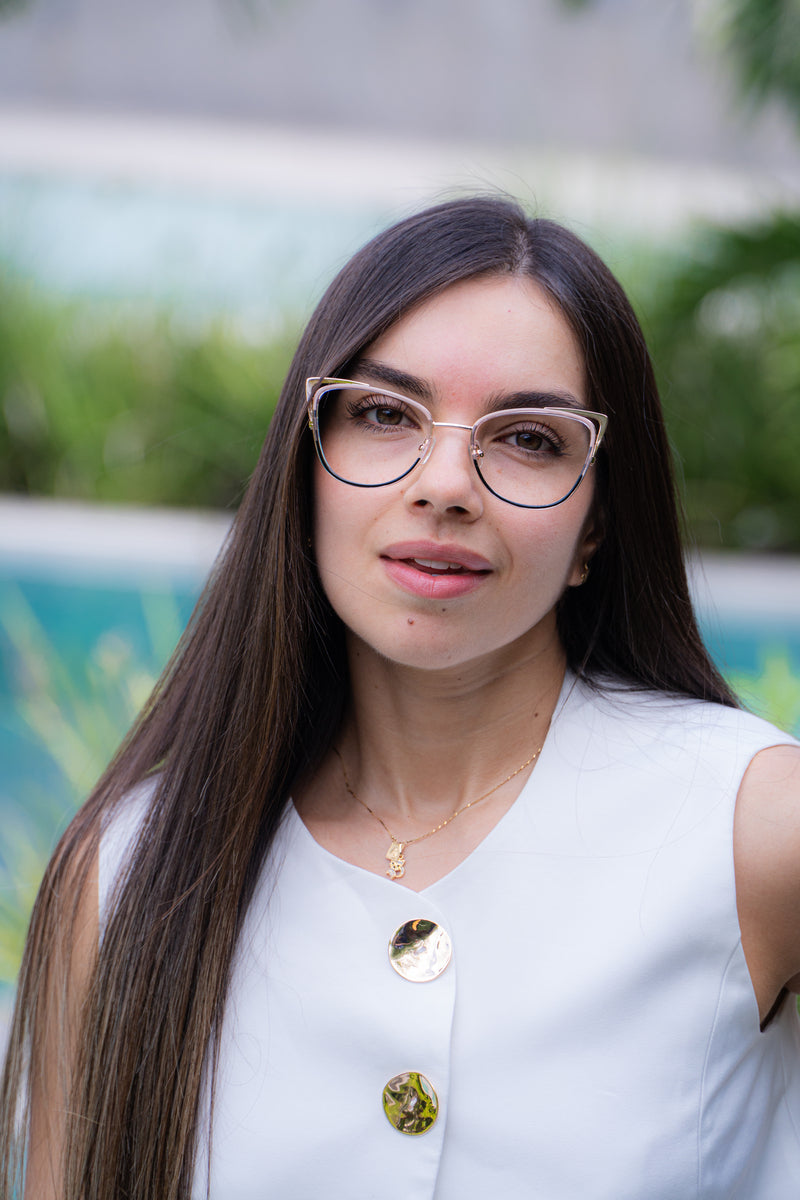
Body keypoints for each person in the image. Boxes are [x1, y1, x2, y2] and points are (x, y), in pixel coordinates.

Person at [2, 195, 800, 1200]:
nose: (446, 483)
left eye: (527, 438)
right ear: (306, 466)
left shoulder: (750, 830)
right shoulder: (125, 876)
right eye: (384, 416)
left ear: (595, 525)